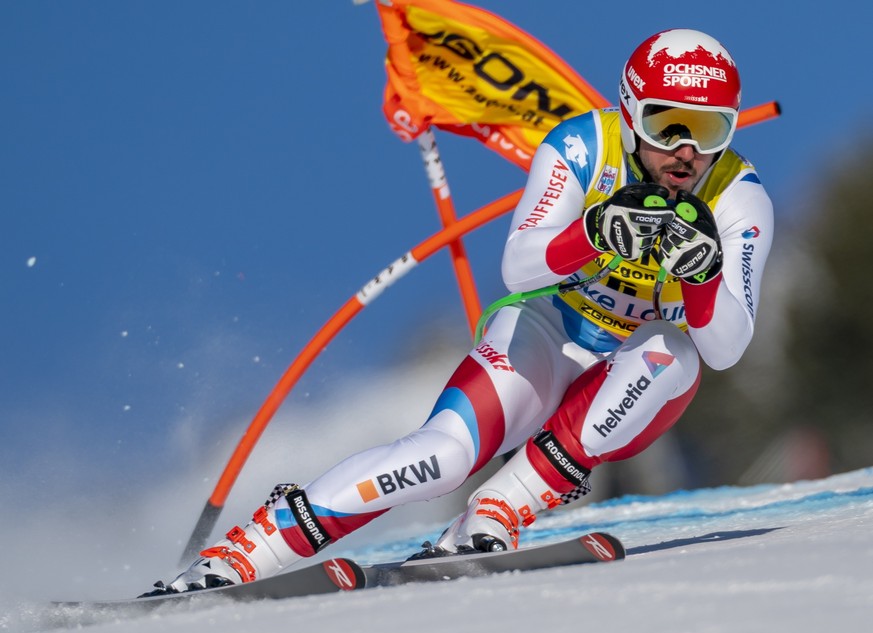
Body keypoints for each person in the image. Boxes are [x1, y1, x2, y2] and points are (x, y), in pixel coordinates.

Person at [148, 28, 773, 594]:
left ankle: (496, 511)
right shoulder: (583, 145)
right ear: (630, 113)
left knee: (675, 353)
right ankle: (241, 555)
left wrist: (703, 274)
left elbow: (725, 348)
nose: (686, 152)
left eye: (709, 130)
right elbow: (521, 266)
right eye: (666, 125)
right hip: (549, 327)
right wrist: (599, 229)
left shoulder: (738, 197)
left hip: (633, 366)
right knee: (443, 456)